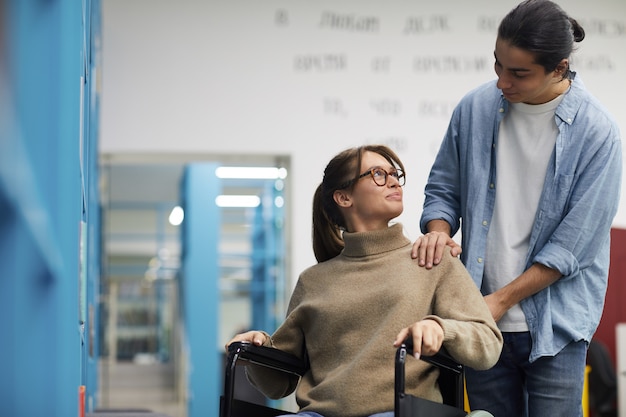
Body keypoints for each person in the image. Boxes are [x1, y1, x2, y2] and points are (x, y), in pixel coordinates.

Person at [412, 1, 622, 416]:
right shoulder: (475, 108)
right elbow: (442, 188)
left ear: (559, 69)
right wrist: (439, 229)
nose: (503, 81)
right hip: (481, 322)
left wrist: (499, 301)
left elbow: (571, 249)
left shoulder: (598, 133)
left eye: (519, 73)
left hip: (555, 325)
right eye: (497, 65)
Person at [226, 145, 503, 417]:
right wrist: (256, 348)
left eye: (395, 174)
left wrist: (441, 329)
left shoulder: (431, 258)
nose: (393, 181)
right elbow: (278, 384)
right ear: (344, 198)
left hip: (399, 410)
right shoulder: (313, 281)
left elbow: (488, 343)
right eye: (378, 174)